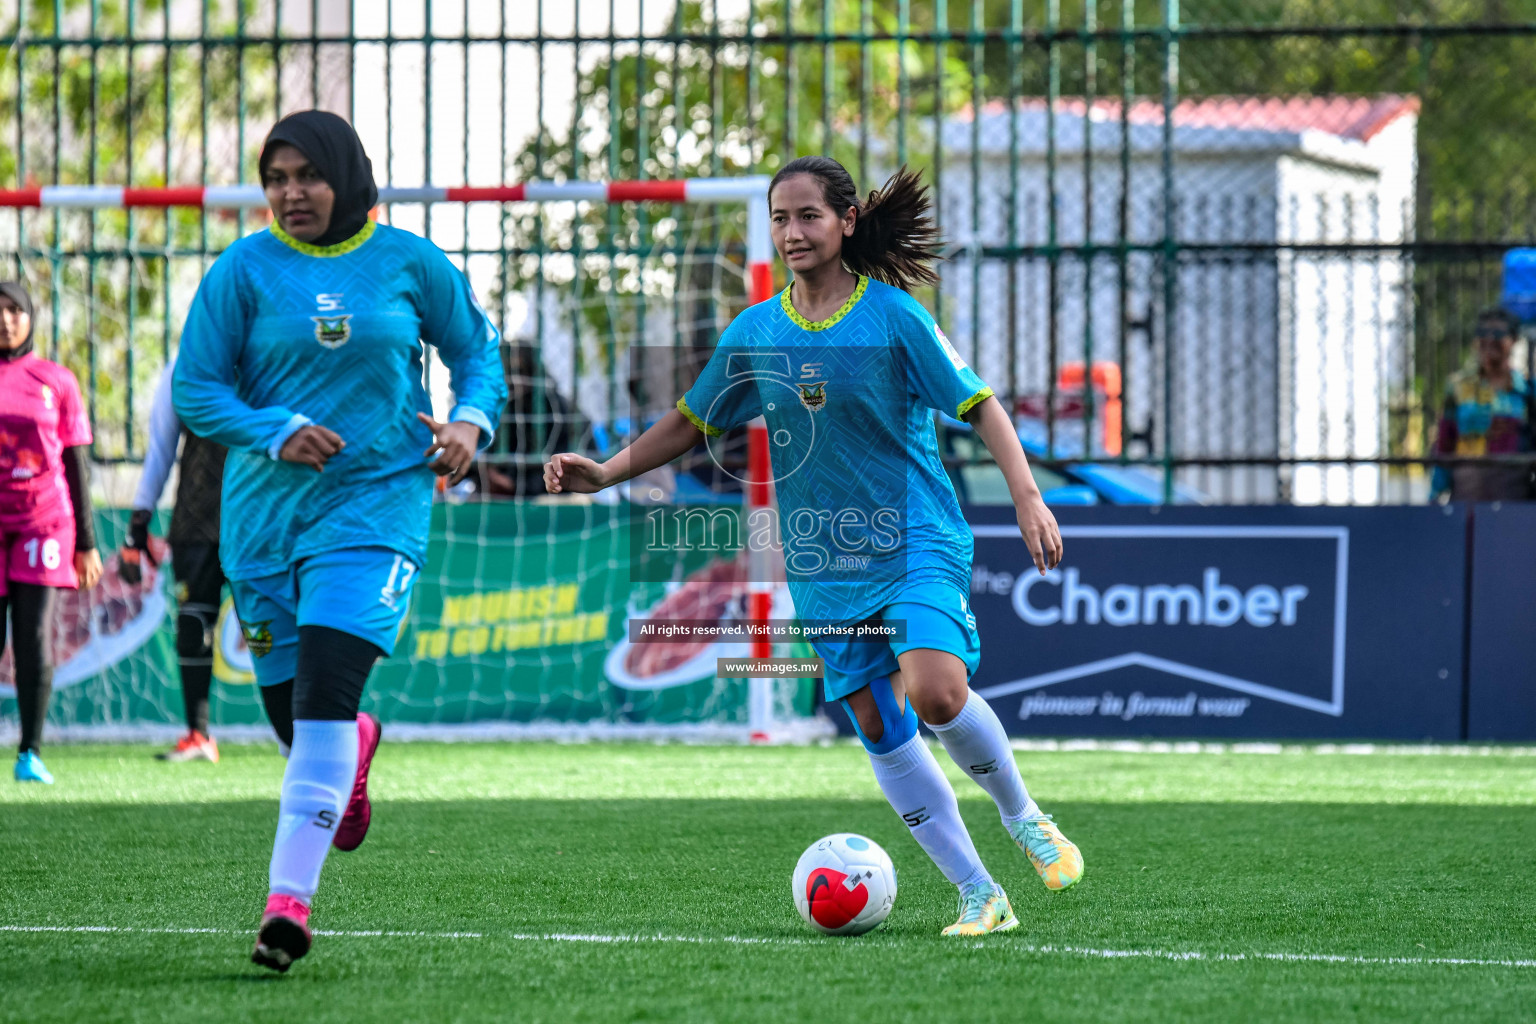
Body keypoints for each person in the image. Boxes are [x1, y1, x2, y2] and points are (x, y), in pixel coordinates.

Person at [544, 156, 1081, 937]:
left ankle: (1024, 815)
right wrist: (606, 472)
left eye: (808, 216)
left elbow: (982, 404)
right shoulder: (756, 331)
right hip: (825, 559)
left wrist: (1028, 496)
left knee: (935, 692)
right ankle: (978, 894)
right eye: (780, 218)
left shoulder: (895, 317)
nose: (792, 232)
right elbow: (692, 421)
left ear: (845, 221)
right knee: (876, 724)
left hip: (913, 538)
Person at [173, 110, 506, 972]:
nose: (291, 193)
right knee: (296, 720)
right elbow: (195, 390)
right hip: (263, 523)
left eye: (307, 175)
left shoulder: (410, 262)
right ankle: (353, 745)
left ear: (347, 176)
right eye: (276, 178)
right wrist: (276, 428)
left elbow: (478, 353)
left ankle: (287, 907)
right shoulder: (240, 271)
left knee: (321, 693)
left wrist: (471, 422)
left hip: (378, 507)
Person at [0, 280, 104, 783]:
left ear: (30, 318)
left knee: (33, 636)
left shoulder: (56, 380)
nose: (6, 320)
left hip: (44, 523)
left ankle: (30, 752)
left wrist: (86, 542)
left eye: (14, 311)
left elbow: (74, 462)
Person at [120, 358, 228, 762]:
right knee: (193, 627)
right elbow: (161, 450)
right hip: (196, 521)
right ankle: (198, 735)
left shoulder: (271, 353)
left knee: (274, 631)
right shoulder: (183, 368)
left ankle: (301, 733)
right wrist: (138, 524)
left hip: (260, 522)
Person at [1431, 308, 1535, 502]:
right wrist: (1436, 493)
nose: (1489, 339)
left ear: (1513, 340)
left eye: (1497, 333)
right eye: (1482, 333)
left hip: (1514, 497)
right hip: (1467, 493)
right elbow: (1445, 443)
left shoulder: (1528, 391)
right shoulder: (1458, 388)